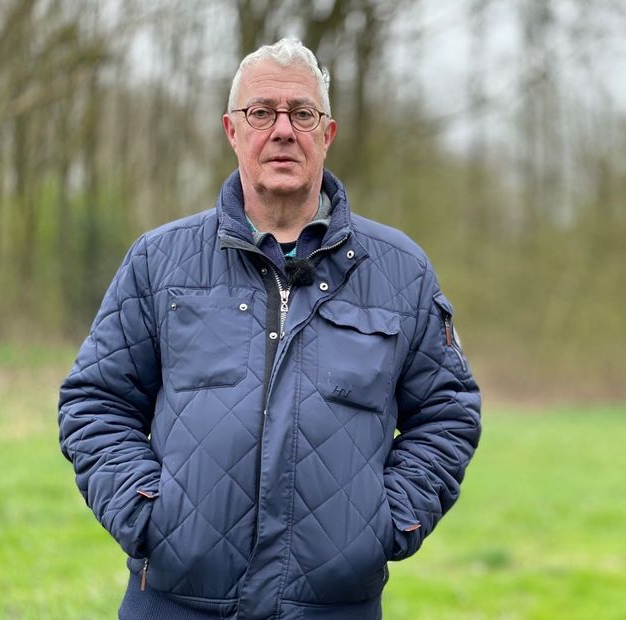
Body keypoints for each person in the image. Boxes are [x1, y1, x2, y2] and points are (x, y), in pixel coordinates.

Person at [59, 38, 480, 619]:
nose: (283, 129)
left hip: (333, 606)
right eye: (262, 112)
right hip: (177, 602)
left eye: (302, 113)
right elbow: (95, 400)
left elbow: (448, 411)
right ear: (232, 130)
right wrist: (147, 513)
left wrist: (383, 523)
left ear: (326, 134)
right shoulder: (160, 262)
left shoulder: (400, 272)